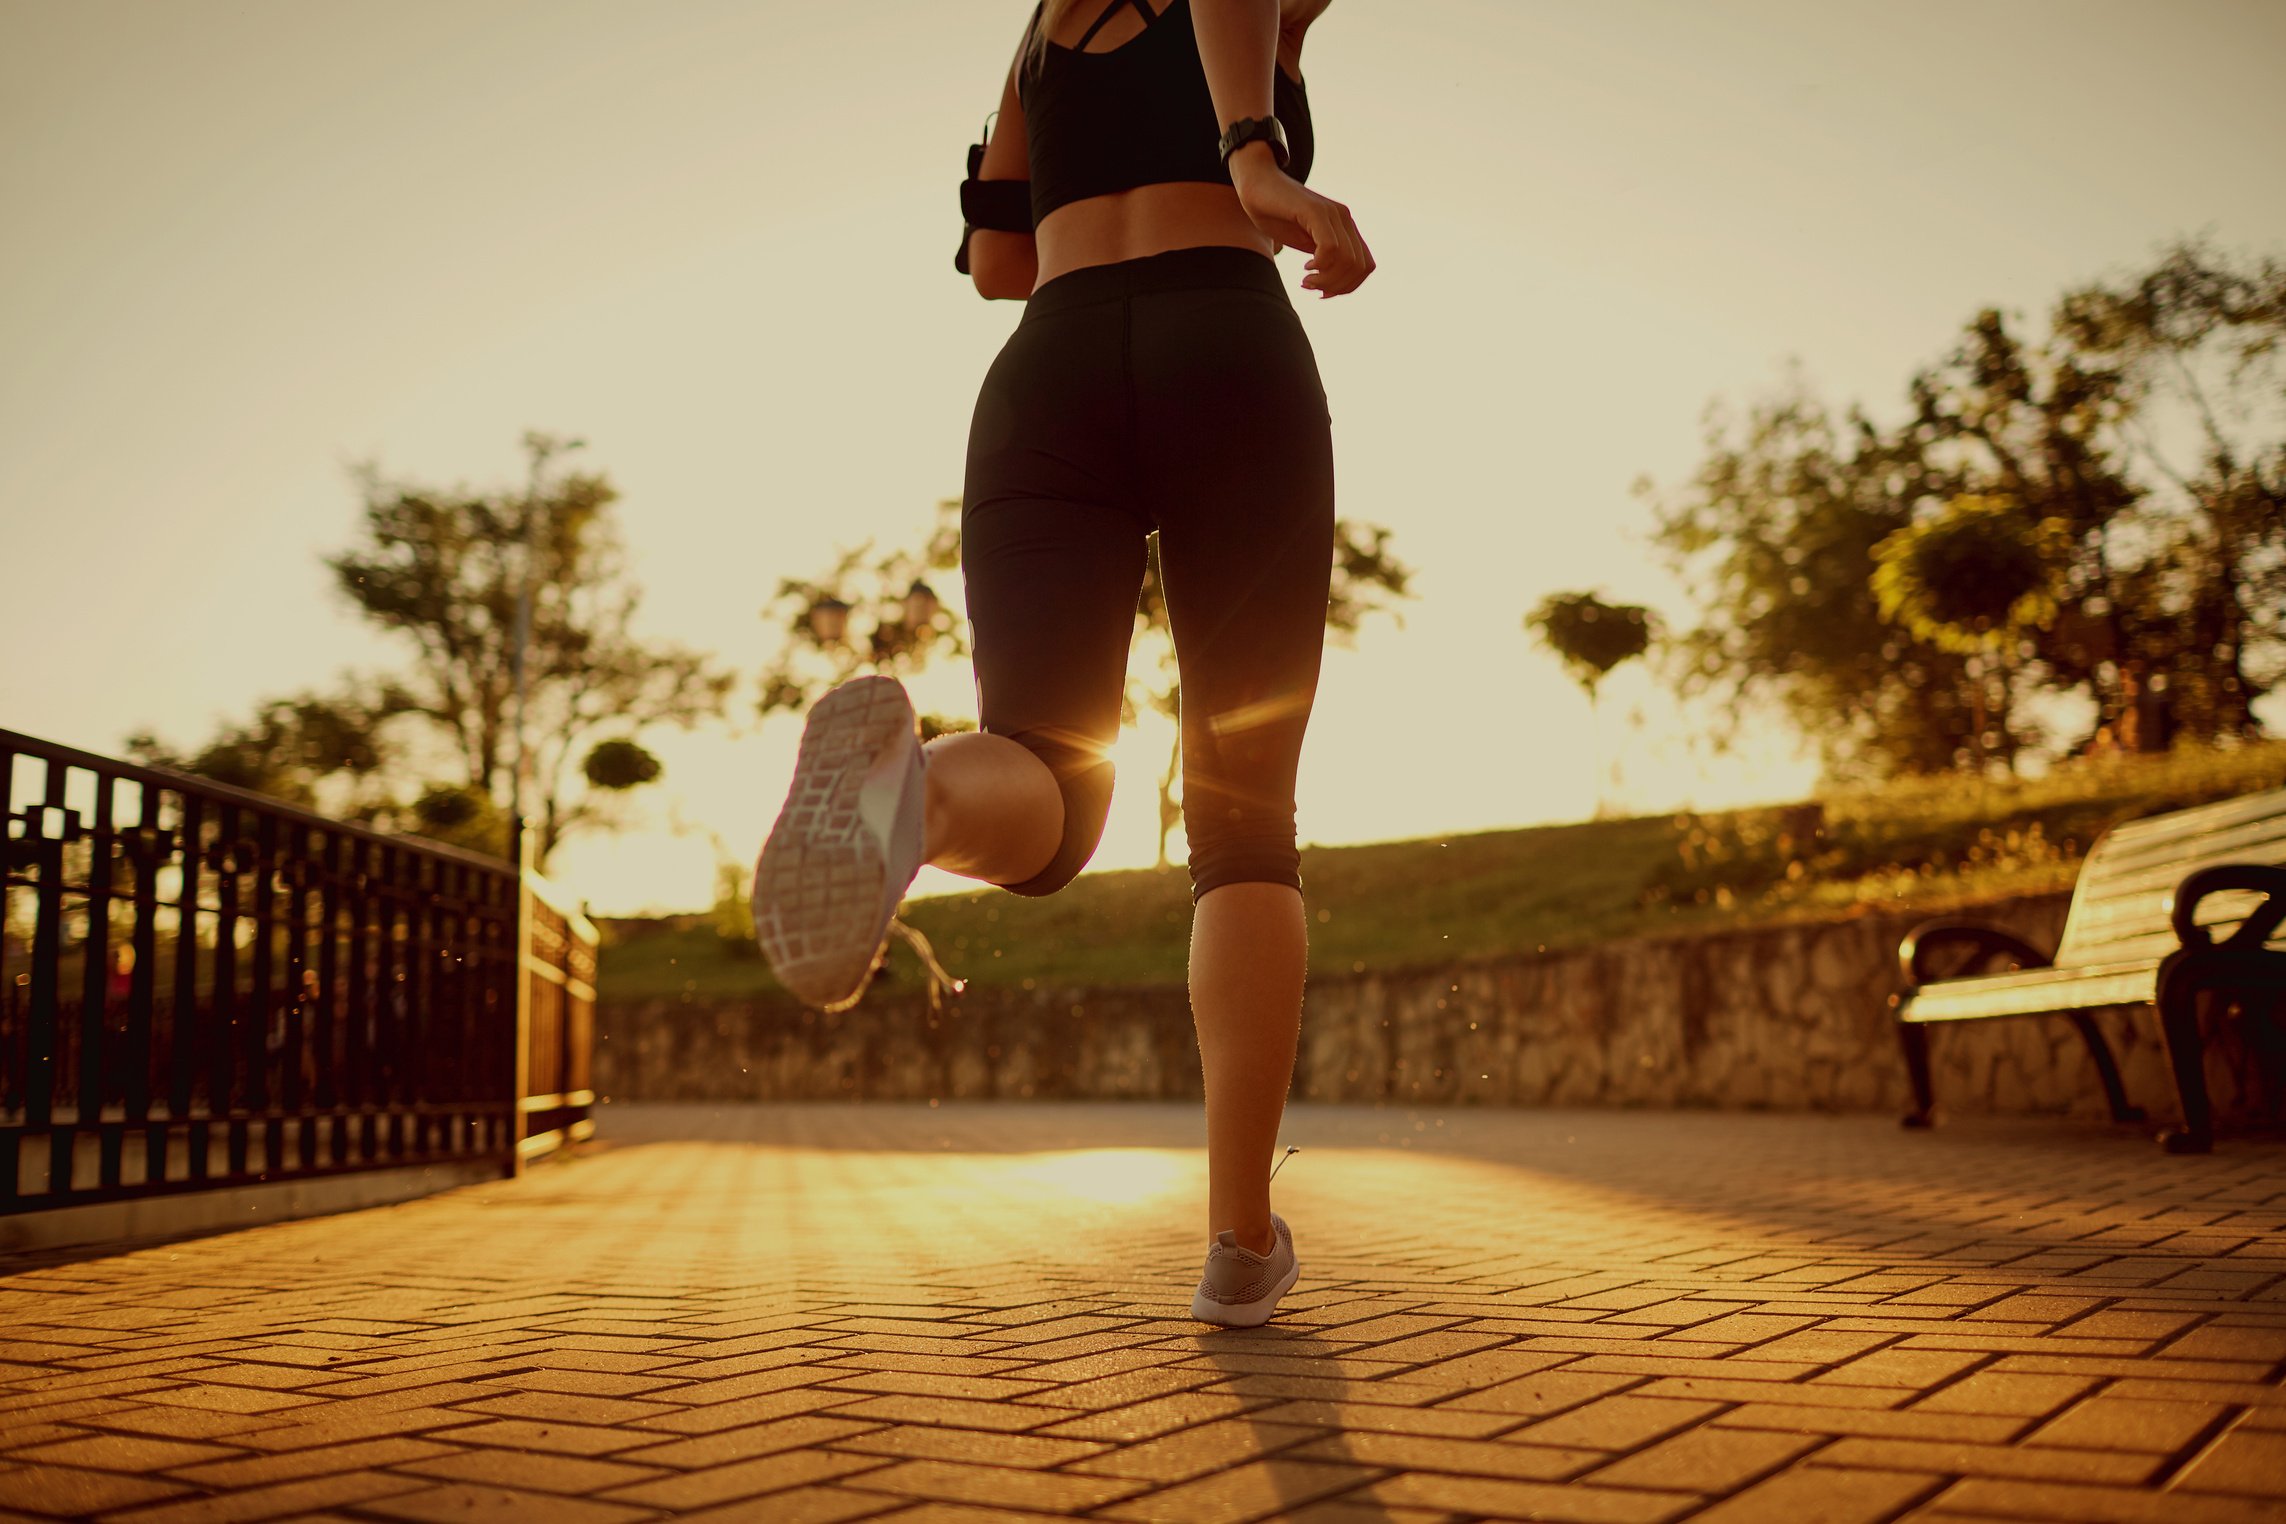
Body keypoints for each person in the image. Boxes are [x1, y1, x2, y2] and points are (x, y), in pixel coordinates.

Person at [754, 0, 1372, 1328]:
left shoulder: (1041, 23)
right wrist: (1255, 159)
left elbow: (996, 261)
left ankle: (910, 796)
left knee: (1044, 767)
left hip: (1051, 372)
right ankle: (1235, 1240)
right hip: (1224, 341)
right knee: (1242, 820)